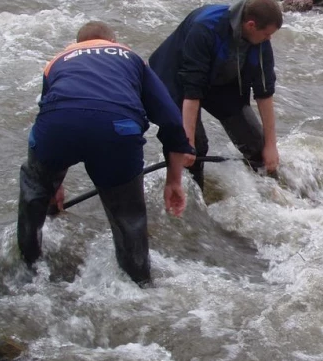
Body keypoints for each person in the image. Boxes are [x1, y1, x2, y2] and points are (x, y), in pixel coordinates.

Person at [17, 21, 194, 286]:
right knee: (128, 218)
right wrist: (174, 180)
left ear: (77, 44)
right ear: (113, 42)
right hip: (117, 131)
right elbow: (170, 118)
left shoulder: (57, 61)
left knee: (34, 192)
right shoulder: (131, 57)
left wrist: (52, 183)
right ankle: (139, 285)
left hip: (57, 128)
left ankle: (28, 270)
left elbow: (51, 113)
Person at [149, 0, 282, 188]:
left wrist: (271, 146)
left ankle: (275, 196)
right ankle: (192, 198)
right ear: (251, 25)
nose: (269, 39)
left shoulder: (260, 41)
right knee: (195, 149)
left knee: (258, 146)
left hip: (221, 81)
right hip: (176, 80)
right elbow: (192, 89)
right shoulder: (205, 28)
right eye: (267, 34)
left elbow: (265, 92)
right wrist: (187, 142)